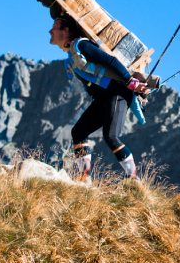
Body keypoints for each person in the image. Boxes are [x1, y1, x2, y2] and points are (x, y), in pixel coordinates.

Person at [48, 17, 149, 181]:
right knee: (78, 132)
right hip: (102, 98)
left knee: (111, 136)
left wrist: (131, 82)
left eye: (54, 27)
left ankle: (133, 178)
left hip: (117, 93)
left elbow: (110, 60)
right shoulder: (71, 57)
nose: (50, 31)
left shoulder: (81, 45)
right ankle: (82, 176)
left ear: (66, 31)